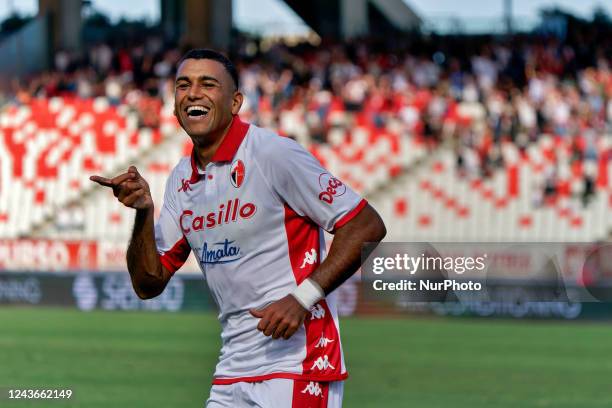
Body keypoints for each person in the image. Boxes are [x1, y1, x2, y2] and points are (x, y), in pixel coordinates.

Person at [90, 48, 386, 408]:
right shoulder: (182, 180)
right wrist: (143, 214)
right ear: (174, 106)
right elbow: (148, 283)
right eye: (183, 85)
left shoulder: (272, 154)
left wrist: (302, 298)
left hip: (298, 364)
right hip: (233, 368)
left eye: (207, 84)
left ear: (235, 102)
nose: (193, 92)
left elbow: (366, 224)